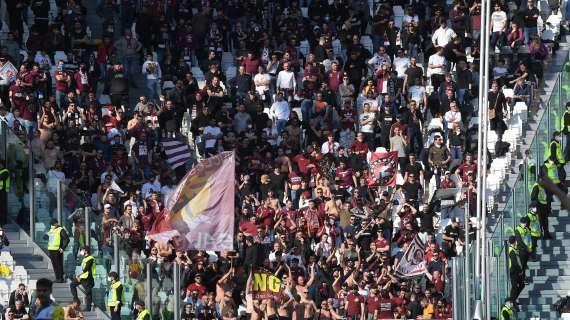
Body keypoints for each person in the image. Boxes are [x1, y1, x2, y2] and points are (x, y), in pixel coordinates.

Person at [69, 246, 95, 311]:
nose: (81, 251)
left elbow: (87, 268)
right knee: (72, 284)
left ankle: (88, 307)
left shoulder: (90, 258)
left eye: (82, 250)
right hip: (82, 277)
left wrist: (79, 275)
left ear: (86, 251)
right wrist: (79, 276)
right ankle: (76, 299)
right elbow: (82, 269)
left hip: (87, 278)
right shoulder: (84, 259)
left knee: (88, 292)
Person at [43, 219, 69, 283]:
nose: (53, 225)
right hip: (51, 250)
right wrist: (46, 235)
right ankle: (57, 278)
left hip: (57, 250)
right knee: (54, 265)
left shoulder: (61, 230)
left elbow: (67, 239)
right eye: (52, 224)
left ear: (56, 223)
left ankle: (60, 278)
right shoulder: (51, 230)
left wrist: (63, 248)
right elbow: (45, 237)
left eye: (54, 224)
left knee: (59, 264)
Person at [507, 236, 525, 302]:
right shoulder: (512, 250)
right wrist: (520, 270)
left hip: (516, 270)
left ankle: (513, 299)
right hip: (514, 271)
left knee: (520, 285)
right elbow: (514, 262)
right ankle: (512, 300)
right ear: (515, 241)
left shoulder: (513, 249)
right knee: (515, 286)